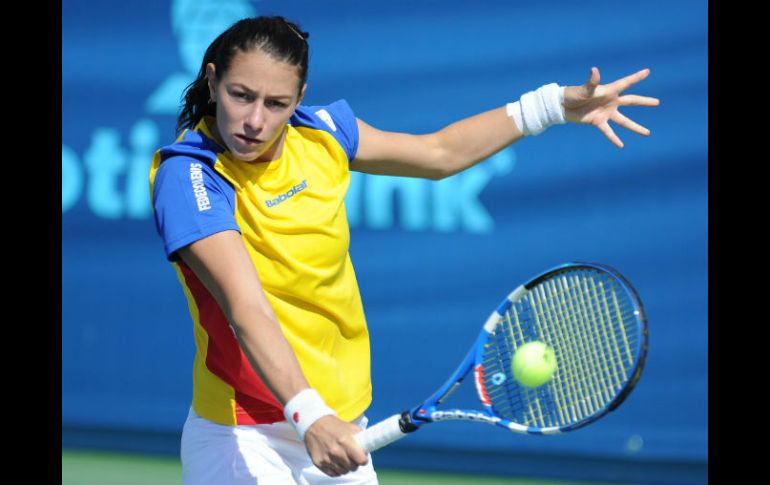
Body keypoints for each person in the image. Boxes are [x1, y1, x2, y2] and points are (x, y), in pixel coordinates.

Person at [149, 15, 659, 485]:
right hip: (248, 432)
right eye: (241, 95)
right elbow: (247, 308)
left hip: (342, 423)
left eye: (277, 103)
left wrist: (549, 107)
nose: (254, 120)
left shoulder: (324, 132)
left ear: (300, 96)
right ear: (213, 80)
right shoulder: (190, 175)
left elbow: (438, 153)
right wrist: (308, 414)